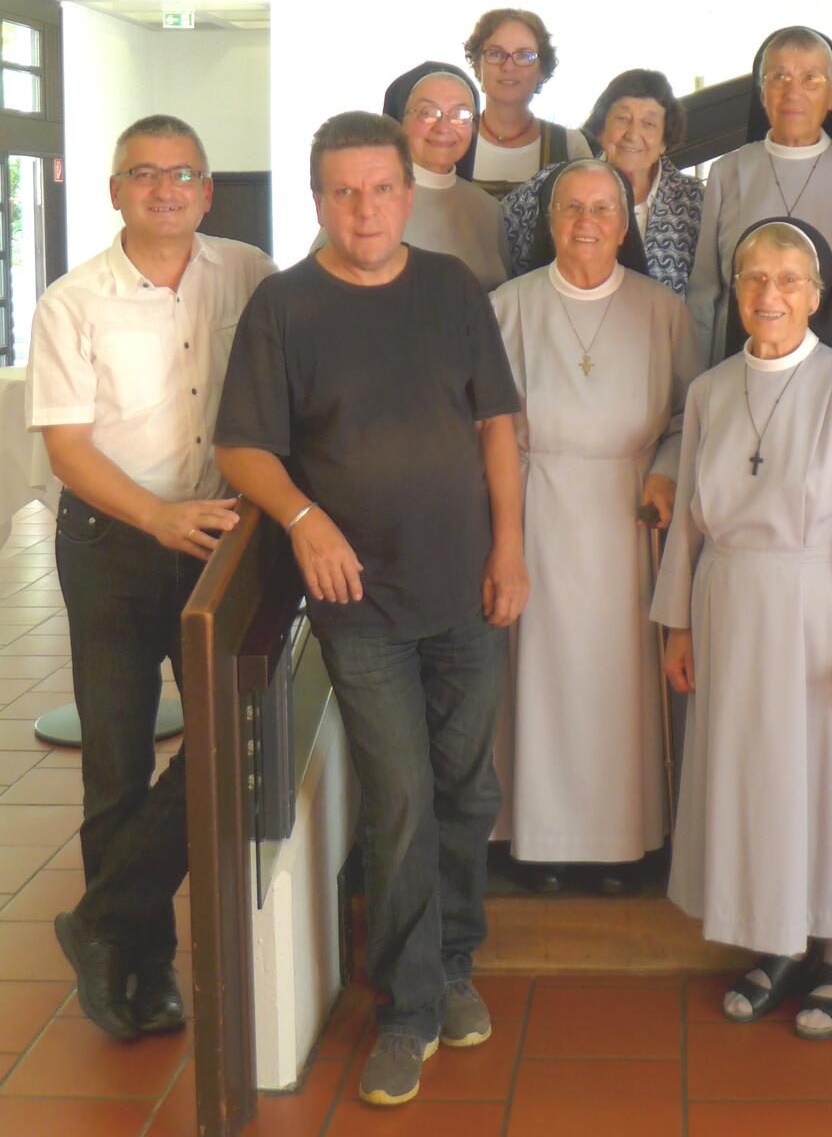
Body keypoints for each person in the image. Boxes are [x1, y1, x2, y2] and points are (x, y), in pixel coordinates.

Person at [214, 111, 528, 1109]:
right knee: (399, 801)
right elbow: (242, 448)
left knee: (467, 789)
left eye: (382, 189)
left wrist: (510, 547)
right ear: (318, 200)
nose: (365, 209)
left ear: (407, 191)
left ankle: (453, 963)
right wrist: (303, 519)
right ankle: (407, 1007)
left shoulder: (451, 288)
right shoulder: (283, 307)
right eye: (344, 192)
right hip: (360, 604)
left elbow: (497, 426)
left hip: (467, 588)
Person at [27, 114, 274, 1040]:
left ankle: (103, 922)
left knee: (223, 741)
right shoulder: (72, 302)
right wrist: (158, 516)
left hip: (219, 540)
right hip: (114, 545)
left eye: (182, 174)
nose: (164, 189)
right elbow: (68, 449)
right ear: (115, 192)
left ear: (207, 191)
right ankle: (142, 967)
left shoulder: (248, 272)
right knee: (117, 758)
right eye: (144, 174)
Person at [653, 217, 832, 1040]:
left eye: (789, 280)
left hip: (822, 611)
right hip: (728, 606)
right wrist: (678, 624)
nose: (770, 295)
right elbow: (689, 522)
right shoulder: (710, 390)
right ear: (735, 291)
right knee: (754, 777)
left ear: (817, 294)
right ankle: (777, 939)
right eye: (755, 279)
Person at [490, 159, 698, 890]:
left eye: (603, 209)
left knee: (617, 684)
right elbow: (485, 425)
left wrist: (665, 472)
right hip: (536, 512)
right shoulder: (508, 307)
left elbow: (689, 415)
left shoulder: (662, 310)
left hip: (627, 519)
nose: (586, 223)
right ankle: (541, 841)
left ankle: (621, 842)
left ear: (624, 223)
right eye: (571, 208)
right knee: (543, 681)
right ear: (550, 220)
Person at [687, 26, 832, 364]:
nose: (793, 92)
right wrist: (700, 377)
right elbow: (705, 292)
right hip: (739, 362)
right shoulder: (728, 172)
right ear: (762, 94)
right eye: (779, 77)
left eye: (810, 78)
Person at [500, 69, 704, 295]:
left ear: (665, 140)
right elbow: (496, 239)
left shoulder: (693, 201)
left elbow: (708, 293)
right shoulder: (551, 185)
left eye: (649, 124)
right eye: (622, 119)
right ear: (601, 130)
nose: (632, 134)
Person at [383, 61, 509, 291]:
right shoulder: (368, 198)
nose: (443, 127)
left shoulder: (488, 209)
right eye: (427, 113)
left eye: (460, 114)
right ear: (400, 123)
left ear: (473, 127)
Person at [463, 7, 592, 197]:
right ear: (477, 66)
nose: (508, 66)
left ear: (542, 71)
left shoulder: (570, 146)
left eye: (524, 56)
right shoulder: (452, 137)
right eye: (496, 53)